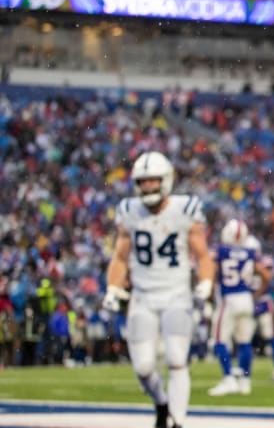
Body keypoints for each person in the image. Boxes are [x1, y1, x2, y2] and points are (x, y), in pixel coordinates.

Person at [103, 151, 214, 428]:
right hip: (142, 296)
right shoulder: (129, 211)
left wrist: (205, 282)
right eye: (143, 182)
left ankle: (178, 421)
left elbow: (202, 254)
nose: (148, 187)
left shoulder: (184, 209)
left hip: (176, 294)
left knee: (177, 359)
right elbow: (119, 256)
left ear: (165, 181)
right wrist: (112, 288)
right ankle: (162, 404)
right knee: (142, 367)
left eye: (153, 181)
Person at [208, 219, 272, 396]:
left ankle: (228, 379)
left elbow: (211, 271)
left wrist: (209, 294)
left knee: (220, 340)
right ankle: (245, 381)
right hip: (246, 298)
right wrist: (257, 293)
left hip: (228, 298)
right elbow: (266, 275)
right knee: (244, 342)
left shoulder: (220, 251)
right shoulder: (250, 252)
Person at [246, 233, 274, 381]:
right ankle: (245, 369)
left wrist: (256, 294)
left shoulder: (263, 262)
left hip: (262, 301)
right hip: (249, 302)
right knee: (245, 337)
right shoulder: (242, 261)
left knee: (269, 335)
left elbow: (267, 278)